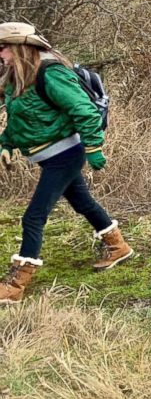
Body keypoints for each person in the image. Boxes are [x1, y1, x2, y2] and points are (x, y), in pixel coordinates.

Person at [0, 22, 134, 304]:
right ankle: (117, 246)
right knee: (82, 202)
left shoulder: (51, 74)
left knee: (33, 217)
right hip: (49, 156)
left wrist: (95, 147)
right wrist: (7, 142)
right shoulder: (19, 76)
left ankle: (17, 285)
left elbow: (83, 109)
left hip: (65, 155)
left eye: (2, 47)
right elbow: (22, 118)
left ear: (18, 47)